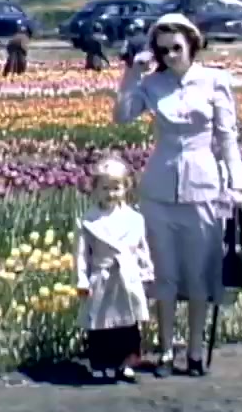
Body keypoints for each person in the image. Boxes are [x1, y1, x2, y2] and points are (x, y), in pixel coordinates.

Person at [112, 13, 242, 378]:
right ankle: (167, 350)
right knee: (165, 274)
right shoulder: (153, 84)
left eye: (176, 48)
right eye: (163, 49)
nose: (170, 55)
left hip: (204, 187)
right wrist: (132, 74)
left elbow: (227, 138)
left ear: (192, 45)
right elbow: (122, 116)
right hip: (159, 186)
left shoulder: (215, 82)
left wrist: (237, 184)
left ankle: (195, 349)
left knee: (199, 274)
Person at [74, 155, 154, 383]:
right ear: (95, 190)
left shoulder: (134, 219)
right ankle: (100, 363)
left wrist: (146, 271)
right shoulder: (88, 221)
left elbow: (141, 248)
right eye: (105, 188)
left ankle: (127, 362)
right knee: (100, 324)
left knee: (128, 324)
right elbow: (81, 255)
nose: (111, 194)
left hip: (127, 277)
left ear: (126, 188)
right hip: (102, 277)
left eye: (116, 188)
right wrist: (81, 279)